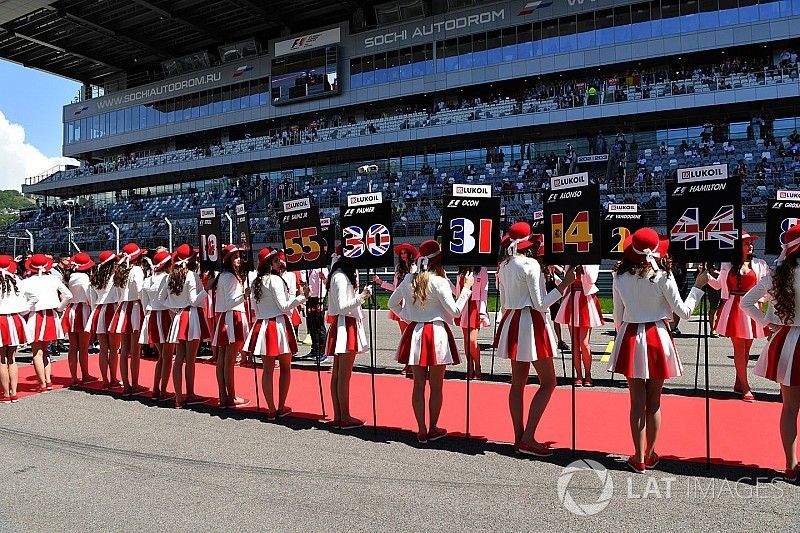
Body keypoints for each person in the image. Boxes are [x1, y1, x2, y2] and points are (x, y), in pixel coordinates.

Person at [607, 229, 707, 473]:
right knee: (654, 402)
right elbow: (683, 313)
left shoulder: (619, 276)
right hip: (657, 338)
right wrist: (697, 287)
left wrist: (626, 334)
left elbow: (617, 318)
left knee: (636, 402)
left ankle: (638, 457)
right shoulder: (663, 276)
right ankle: (650, 454)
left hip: (630, 335)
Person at [494, 223, 574, 456]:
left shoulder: (504, 265)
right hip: (530, 322)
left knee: (517, 384)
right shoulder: (530, 264)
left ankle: (519, 437)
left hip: (512, 320)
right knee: (548, 382)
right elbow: (540, 304)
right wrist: (563, 285)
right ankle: (528, 437)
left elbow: (505, 300)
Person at [389, 240, 472, 442]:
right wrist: (466, 289)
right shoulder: (440, 281)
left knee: (418, 385)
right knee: (436, 386)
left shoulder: (409, 278)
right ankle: (433, 427)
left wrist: (408, 317)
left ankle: (421, 429)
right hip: (437, 334)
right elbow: (455, 311)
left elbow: (392, 303)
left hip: (415, 333)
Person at [742, 223, 800, 480]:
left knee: (789, 408)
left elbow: (746, 302)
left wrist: (768, 322)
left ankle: (790, 464)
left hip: (787, 341)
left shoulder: (775, 275)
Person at [245, 248, 308, 419]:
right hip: (278, 325)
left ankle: (271, 409)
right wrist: (302, 297)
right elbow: (284, 306)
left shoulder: (256, 281)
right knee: (285, 368)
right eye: (275, 260)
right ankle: (280, 406)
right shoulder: (275, 280)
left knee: (267, 370)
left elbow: (255, 309)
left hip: (262, 325)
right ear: (269, 264)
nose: (279, 262)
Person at [706, 231, 769, 402]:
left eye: (751, 242)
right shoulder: (727, 264)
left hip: (751, 308)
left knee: (747, 349)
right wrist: (706, 277)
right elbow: (719, 285)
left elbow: (764, 288)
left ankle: (738, 382)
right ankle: (746, 386)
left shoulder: (760, 264)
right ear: (737, 246)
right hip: (733, 307)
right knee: (739, 349)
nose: (750, 245)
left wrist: (763, 303)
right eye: (746, 243)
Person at [326, 252, 372, 429]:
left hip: (344, 324)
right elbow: (343, 307)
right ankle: (344, 416)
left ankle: (339, 415)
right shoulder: (340, 277)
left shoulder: (339, 275)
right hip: (346, 325)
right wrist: (362, 296)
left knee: (338, 374)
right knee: (343, 375)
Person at [163, 244, 210, 408]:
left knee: (179, 359)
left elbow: (162, 300)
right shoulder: (191, 275)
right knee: (190, 359)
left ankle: (178, 397)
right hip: (191, 317)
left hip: (178, 317)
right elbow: (193, 300)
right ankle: (189, 394)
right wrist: (207, 289)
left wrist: (174, 309)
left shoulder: (171, 276)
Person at [20, 254, 73, 392]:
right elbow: (68, 295)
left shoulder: (26, 282)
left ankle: (42, 383)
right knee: (46, 351)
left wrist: (25, 311)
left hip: (34, 317)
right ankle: (48, 381)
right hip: (51, 316)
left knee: (37, 352)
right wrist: (59, 308)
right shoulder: (53, 279)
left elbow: (21, 301)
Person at [210, 245, 250, 408]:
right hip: (233, 317)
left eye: (239, 256)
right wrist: (245, 295)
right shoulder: (231, 277)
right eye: (235, 257)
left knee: (222, 360)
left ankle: (223, 395)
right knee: (229, 361)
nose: (239, 259)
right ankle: (231, 396)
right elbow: (231, 302)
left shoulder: (222, 276)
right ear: (228, 260)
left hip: (224, 318)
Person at [555, 263, 604, 386]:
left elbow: (591, 279)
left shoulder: (592, 263)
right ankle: (578, 375)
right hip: (571, 298)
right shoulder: (569, 263)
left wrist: (584, 264)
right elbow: (567, 279)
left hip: (585, 300)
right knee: (575, 343)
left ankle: (588, 374)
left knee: (584, 342)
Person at [109, 243, 147, 396]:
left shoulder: (118, 270)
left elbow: (117, 293)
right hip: (135, 308)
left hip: (122, 308)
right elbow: (140, 291)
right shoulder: (137, 270)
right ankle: (134, 384)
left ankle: (126, 385)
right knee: (135, 351)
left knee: (124, 350)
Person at [374, 243, 418, 377]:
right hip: (400, 304)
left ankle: (412, 363)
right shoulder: (399, 268)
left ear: (410, 254)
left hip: (411, 304)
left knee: (412, 335)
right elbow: (395, 288)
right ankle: (408, 363)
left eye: (406, 253)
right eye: (402, 253)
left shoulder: (414, 267)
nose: (403, 255)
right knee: (404, 336)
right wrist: (381, 283)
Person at [140, 251, 173, 402]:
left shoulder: (147, 280)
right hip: (165, 316)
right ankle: (163, 391)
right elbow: (171, 300)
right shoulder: (167, 278)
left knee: (162, 357)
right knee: (167, 357)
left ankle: (156, 389)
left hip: (152, 316)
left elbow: (144, 304)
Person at [86, 251, 122, 388]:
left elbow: (92, 301)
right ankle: (113, 379)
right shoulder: (115, 276)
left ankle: (105, 380)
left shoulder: (94, 277)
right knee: (114, 349)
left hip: (99, 312)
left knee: (103, 349)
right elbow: (119, 296)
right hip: (112, 311)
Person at [61, 252, 98, 385]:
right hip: (83, 310)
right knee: (83, 347)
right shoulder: (84, 278)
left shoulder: (71, 276)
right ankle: (85, 374)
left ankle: (74, 376)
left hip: (72, 309)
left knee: (73, 346)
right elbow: (90, 296)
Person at [0, 255, 30, 403]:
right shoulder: (16, 279)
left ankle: (5, 394)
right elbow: (24, 305)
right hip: (15, 319)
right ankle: (13, 392)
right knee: (12, 358)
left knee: (1, 359)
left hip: (0, 320)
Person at [455, 265, 490, 379]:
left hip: (475, 306)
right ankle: (469, 367)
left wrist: (482, 312)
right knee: (466, 340)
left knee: (472, 340)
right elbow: (457, 291)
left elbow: (484, 293)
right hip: (463, 306)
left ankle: (478, 366)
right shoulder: (461, 270)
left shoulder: (482, 270)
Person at [301, 262, 329, 362]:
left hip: (318, 298)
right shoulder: (309, 267)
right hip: (310, 297)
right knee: (311, 325)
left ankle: (322, 351)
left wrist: (321, 301)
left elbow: (324, 284)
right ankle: (315, 349)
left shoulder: (320, 268)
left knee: (319, 325)